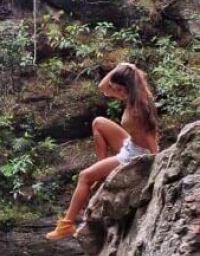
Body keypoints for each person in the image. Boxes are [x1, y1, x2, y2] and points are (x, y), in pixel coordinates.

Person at [46, 62, 159, 240]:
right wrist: (123, 66)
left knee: (84, 176)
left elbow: (152, 143)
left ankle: (67, 224)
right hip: (129, 143)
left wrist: (155, 170)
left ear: (127, 87)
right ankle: (102, 168)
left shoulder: (140, 109)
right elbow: (102, 86)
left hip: (135, 156)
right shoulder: (135, 93)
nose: (116, 93)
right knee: (98, 122)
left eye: (119, 90)